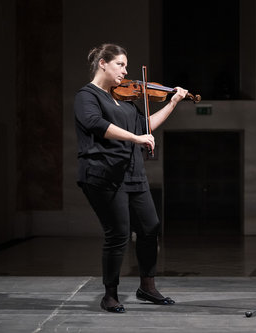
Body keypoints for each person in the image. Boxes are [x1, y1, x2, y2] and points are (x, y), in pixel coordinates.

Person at [74, 43, 187, 313]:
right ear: (102, 63)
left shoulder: (124, 99)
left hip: (132, 173)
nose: (126, 71)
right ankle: (110, 295)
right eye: (120, 64)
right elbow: (96, 125)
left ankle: (146, 288)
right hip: (103, 174)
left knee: (150, 227)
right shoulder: (86, 96)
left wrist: (172, 102)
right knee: (118, 234)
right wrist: (136, 138)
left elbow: (144, 126)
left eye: (126, 65)